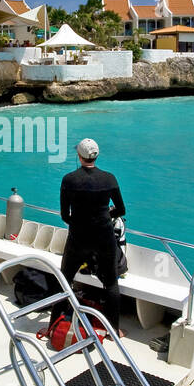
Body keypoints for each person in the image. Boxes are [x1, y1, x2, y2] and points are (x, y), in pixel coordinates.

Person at [57, 138, 126, 334]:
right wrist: (104, 217)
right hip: (104, 237)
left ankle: (53, 322)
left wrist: (79, 223)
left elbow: (64, 214)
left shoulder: (69, 179)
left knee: (65, 279)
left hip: (78, 237)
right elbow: (121, 209)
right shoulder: (109, 178)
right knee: (111, 283)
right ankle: (114, 330)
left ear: (79, 156)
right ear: (96, 155)